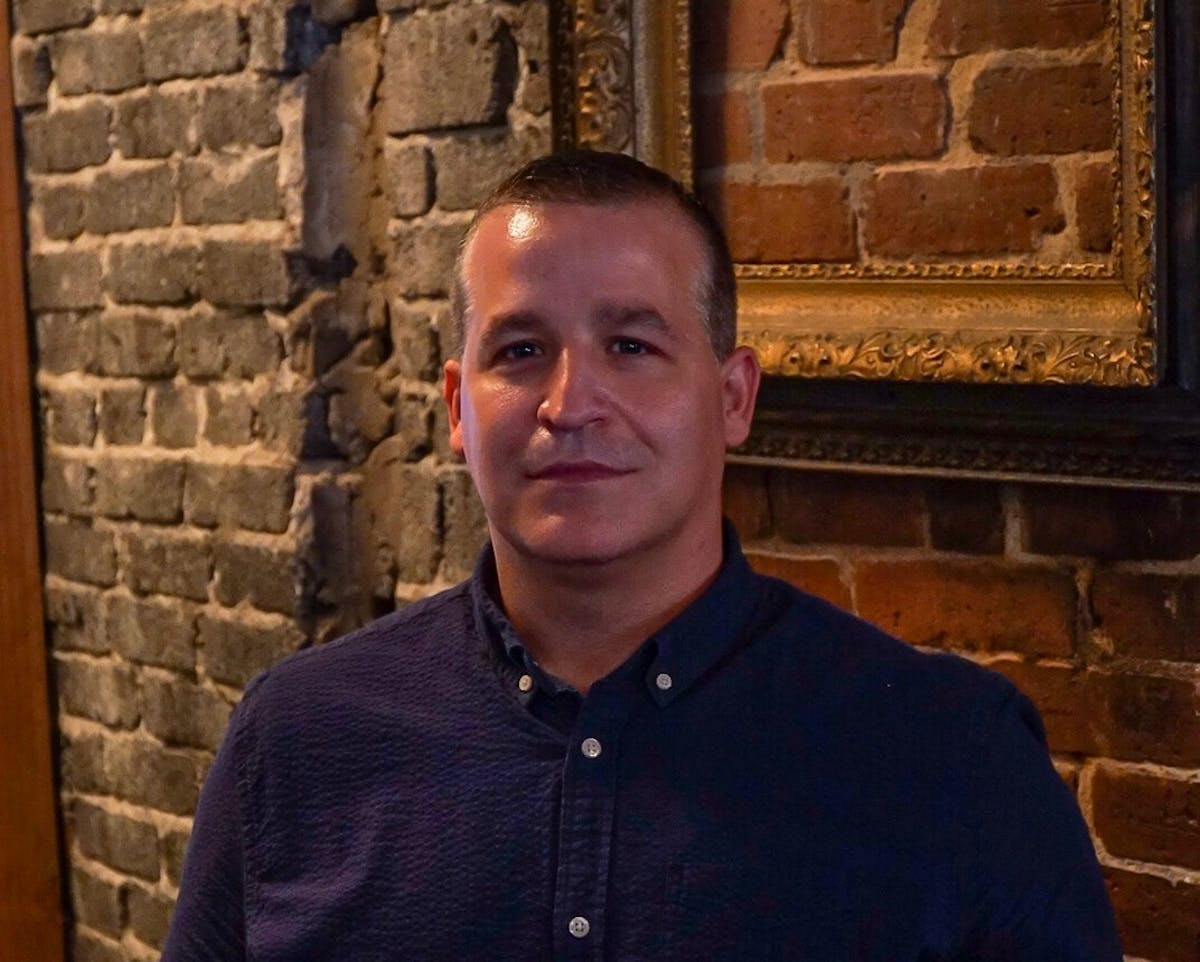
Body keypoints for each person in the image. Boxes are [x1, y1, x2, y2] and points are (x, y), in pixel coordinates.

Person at [162, 150, 1122, 961]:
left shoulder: (954, 756)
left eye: (630, 345)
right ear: (455, 406)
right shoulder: (294, 741)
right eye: (521, 350)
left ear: (734, 396)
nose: (570, 403)